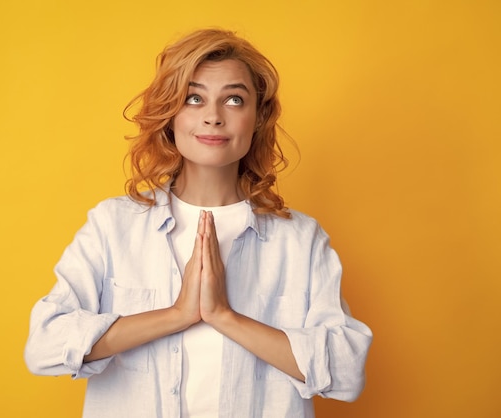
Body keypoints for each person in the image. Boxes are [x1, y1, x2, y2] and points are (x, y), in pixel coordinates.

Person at [24, 28, 372, 418]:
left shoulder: (300, 240)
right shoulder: (112, 226)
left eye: (234, 100)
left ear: (257, 119)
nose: (212, 117)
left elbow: (346, 371)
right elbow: (44, 346)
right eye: (194, 98)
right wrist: (176, 315)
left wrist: (224, 315)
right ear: (170, 114)